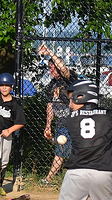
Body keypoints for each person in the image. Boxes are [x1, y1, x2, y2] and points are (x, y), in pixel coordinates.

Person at [37, 43, 77, 185]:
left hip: (74, 122)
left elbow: (63, 69)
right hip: (60, 123)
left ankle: (76, 180)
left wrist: (50, 53)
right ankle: (48, 180)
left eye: (54, 67)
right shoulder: (51, 85)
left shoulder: (69, 79)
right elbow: (50, 106)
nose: (52, 70)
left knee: (76, 152)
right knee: (59, 153)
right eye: (50, 68)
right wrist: (48, 125)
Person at [0, 73, 26, 187]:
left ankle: (0, 184)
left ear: (11, 87)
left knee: (4, 160)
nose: (4, 88)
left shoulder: (15, 104)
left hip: (7, 135)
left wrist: (9, 130)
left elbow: (21, 122)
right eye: (2, 85)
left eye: (7, 85)